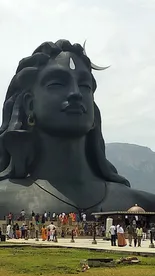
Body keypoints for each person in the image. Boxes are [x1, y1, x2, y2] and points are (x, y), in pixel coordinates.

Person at [0, 40, 155, 215]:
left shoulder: (143, 204)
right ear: (29, 104)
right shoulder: (4, 199)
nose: (75, 93)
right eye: (57, 84)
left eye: (84, 86)